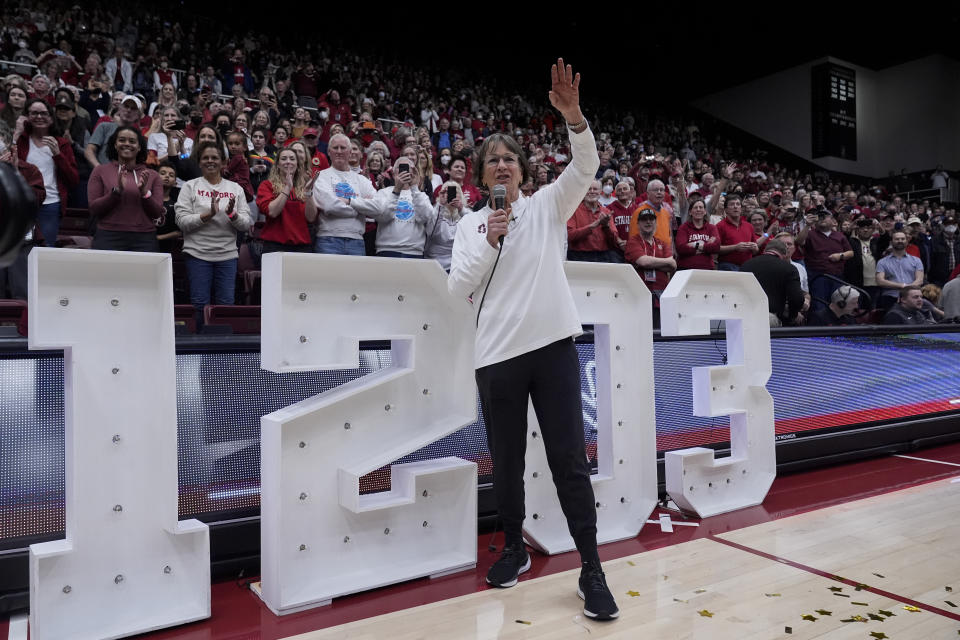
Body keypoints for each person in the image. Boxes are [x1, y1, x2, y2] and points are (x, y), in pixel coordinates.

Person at [448, 58, 618, 622]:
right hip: (496, 357)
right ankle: (515, 548)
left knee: (570, 459)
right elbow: (459, 288)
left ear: (522, 171)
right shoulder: (472, 227)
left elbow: (587, 164)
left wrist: (573, 118)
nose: (502, 165)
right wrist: (491, 241)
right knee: (508, 461)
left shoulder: (548, 205)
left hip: (553, 352)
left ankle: (591, 568)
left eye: (509, 158)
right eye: (492, 159)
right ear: (481, 174)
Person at [175, 142, 253, 328]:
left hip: (227, 256)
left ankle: (222, 348)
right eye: (206, 158)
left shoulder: (235, 189)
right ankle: (200, 349)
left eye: (215, 158)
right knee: (199, 304)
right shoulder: (189, 186)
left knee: (225, 305)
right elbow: (182, 222)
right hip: (197, 255)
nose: (210, 161)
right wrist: (207, 215)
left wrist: (232, 214)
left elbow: (246, 224)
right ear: (199, 162)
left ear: (223, 162)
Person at [87, 125, 164, 251]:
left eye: (132, 141)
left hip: (144, 238)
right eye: (122, 140)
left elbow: (157, 212)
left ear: (139, 147)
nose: (127, 144)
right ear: (115, 144)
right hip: (108, 236)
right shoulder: (100, 171)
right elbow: (94, 209)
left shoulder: (152, 175)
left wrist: (145, 193)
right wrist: (117, 192)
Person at [16, 98, 79, 246]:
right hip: (20, 203)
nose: (39, 117)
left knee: (45, 248)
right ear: (27, 116)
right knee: (18, 249)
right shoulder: (21, 140)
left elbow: (73, 179)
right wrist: (17, 132)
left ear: (51, 118)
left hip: (50, 204)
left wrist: (58, 154)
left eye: (44, 113)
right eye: (34, 113)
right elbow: (7, 166)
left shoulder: (61, 144)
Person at [311, 133, 382, 255]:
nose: (339, 151)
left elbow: (378, 207)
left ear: (350, 152)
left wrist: (350, 201)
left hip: (357, 241)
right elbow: (330, 206)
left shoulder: (362, 180)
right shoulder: (320, 177)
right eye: (335, 148)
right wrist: (361, 208)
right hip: (328, 240)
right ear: (328, 151)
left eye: (343, 148)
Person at [371, 157, 434, 258]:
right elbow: (382, 217)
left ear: (413, 172)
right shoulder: (383, 192)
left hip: (414, 252)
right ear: (393, 173)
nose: (404, 171)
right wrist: (396, 190)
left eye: (408, 168)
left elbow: (426, 217)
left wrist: (415, 188)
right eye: (400, 168)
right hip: (387, 250)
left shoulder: (420, 194)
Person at [256, 147, 315, 254]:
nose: (288, 161)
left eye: (292, 159)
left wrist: (308, 192)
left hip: (302, 246)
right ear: (278, 164)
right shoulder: (267, 185)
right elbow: (272, 212)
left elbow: (311, 218)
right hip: (274, 246)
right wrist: (287, 187)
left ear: (297, 164)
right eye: (284, 159)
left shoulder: (304, 187)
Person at [740, 240, 805, 326]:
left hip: (746, 316)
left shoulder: (746, 265)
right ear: (785, 254)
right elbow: (797, 299)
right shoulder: (789, 268)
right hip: (770, 319)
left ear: (765, 251)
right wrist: (793, 316)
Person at [797, 211, 853, 310]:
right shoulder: (810, 234)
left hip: (837, 277)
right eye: (820, 216)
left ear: (833, 221)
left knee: (837, 306)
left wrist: (840, 255)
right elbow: (799, 241)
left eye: (825, 216)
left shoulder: (839, 235)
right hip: (818, 276)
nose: (822, 218)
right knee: (819, 306)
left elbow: (850, 253)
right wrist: (807, 225)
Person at [566, 179, 623, 262]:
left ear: (600, 192)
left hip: (604, 256)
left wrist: (606, 227)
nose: (592, 191)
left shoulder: (606, 211)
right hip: (579, 256)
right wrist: (592, 227)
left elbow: (614, 241)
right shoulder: (573, 211)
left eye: (595, 189)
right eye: (588, 189)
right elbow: (569, 235)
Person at [876, 231, 924, 307]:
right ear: (891, 242)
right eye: (897, 239)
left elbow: (920, 280)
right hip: (891, 297)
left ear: (907, 241)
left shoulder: (916, 260)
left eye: (902, 239)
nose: (900, 241)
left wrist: (907, 289)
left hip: (912, 297)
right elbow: (880, 281)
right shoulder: (882, 262)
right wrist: (902, 286)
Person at [628, 179, 673, 253]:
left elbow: (669, 236)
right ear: (648, 194)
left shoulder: (666, 212)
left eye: (661, 190)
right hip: (648, 256)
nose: (659, 192)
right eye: (656, 190)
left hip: (665, 256)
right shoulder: (639, 211)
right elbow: (633, 237)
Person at [716, 194, 759, 271]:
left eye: (738, 204)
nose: (735, 207)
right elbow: (715, 249)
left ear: (741, 209)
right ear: (726, 210)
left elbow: (755, 251)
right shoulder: (720, 226)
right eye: (732, 204)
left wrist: (755, 247)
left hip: (747, 266)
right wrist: (735, 247)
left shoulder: (749, 226)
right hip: (727, 266)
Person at [675, 199, 719, 270]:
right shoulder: (683, 228)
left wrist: (694, 244)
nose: (698, 209)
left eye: (701, 207)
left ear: (705, 212)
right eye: (695, 207)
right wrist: (706, 247)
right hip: (686, 269)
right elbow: (681, 248)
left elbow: (716, 247)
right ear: (690, 212)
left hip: (707, 268)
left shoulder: (712, 228)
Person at [156, 161, 182, 253]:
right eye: (163, 173)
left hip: (168, 249)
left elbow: (178, 232)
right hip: (145, 245)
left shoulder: (177, 204)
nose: (167, 176)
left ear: (175, 182)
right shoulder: (147, 198)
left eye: (171, 175)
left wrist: (158, 238)